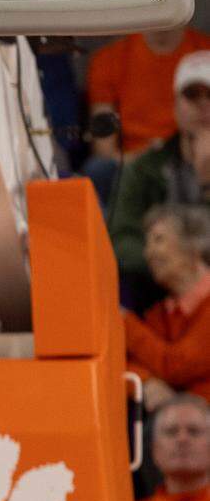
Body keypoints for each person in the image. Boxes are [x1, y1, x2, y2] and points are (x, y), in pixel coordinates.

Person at [109, 52, 210, 304]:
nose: (204, 105)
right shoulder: (143, 168)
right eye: (192, 95)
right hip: (156, 291)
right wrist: (163, 259)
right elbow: (120, 240)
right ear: (176, 105)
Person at [124, 205, 210, 409]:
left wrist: (124, 322)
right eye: (147, 244)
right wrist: (146, 381)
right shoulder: (161, 313)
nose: (148, 253)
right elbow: (123, 363)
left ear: (193, 245)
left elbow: (176, 366)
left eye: (158, 240)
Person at [87, 26, 210, 158]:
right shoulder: (109, 60)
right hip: (132, 159)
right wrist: (147, 161)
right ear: (175, 104)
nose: (202, 102)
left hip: (193, 153)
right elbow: (105, 152)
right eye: (192, 95)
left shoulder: (204, 49)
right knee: (100, 167)